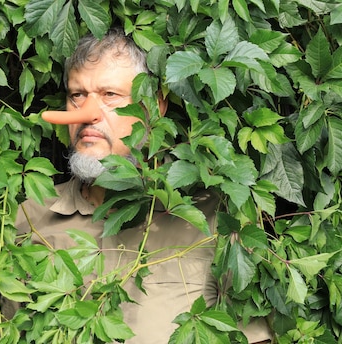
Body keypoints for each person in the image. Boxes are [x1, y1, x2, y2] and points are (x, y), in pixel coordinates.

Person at [14, 27, 272, 343]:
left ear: (155, 107)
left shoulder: (217, 217)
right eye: (77, 95)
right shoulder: (30, 217)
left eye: (110, 95)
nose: (88, 114)